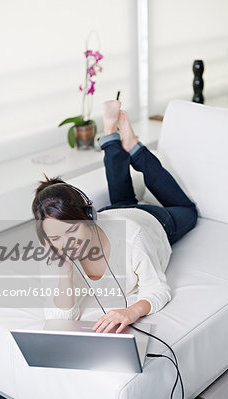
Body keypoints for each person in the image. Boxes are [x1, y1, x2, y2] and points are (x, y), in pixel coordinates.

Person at [32, 100, 198, 333]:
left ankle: (134, 146)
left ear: (89, 216)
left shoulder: (133, 237)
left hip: (148, 220)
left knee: (188, 210)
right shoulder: (54, 250)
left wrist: (130, 312)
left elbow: (158, 289)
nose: (67, 243)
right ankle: (110, 134)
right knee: (122, 200)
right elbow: (61, 316)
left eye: (72, 230)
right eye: (56, 237)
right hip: (115, 213)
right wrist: (65, 271)